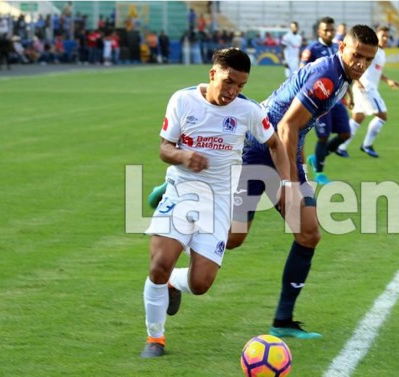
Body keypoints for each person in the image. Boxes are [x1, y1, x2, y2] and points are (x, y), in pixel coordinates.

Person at [226, 25, 378, 339]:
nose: (361, 63)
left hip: (282, 148)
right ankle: (181, 220)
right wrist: (290, 185)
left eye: (368, 58)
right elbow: (286, 126)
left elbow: (298, 127)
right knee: (233, 238)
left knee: (309, 233)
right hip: (259, 150)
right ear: (342, 47)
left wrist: (299, 165)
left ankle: (282, 321)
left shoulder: (340, 77)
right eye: (357, 55)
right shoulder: (327, 78)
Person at [140, 48, 290, 358]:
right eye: (229, 81)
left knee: (200, 283)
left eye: (241, 85)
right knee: (159, 265)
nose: (233, 91)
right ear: (213, 74)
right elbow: (165, 148)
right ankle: (155, 339)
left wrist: (287, 184)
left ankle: (173, 285)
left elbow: (275, 144)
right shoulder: (183, 100)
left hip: (219, 203)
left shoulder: (248, 111)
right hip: (182, 191)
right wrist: (183, 156)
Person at [300, 17, 353, 185]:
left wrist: (350, 95)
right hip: (319, 102)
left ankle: (316, 157)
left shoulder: (338, 48)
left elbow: (344, 74)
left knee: (345, 134)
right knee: (323, 136)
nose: (330, 33)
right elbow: (302, 73)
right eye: (326, 30)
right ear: (319, 32)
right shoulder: (312, 50)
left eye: (332, 29)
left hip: (336, 101)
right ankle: (319, 172)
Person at [337, 26, 399, 158]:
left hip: (365, 87)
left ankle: (340, 147)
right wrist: (357, 81)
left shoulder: (380, 52)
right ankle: (367, 145)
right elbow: (356, 64)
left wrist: (388, 80)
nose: (386, 39)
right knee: (382, 116)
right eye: (383, 35)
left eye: (388, 37)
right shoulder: (371, 50)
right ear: (376, 36)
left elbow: (376, 71)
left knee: (358, 118)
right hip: (366, 87)